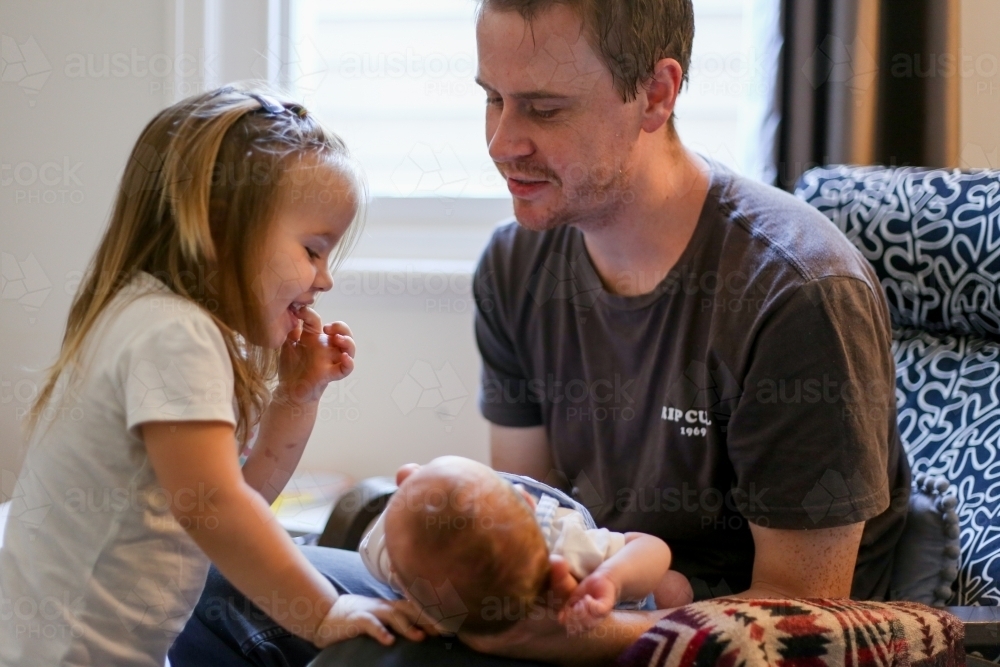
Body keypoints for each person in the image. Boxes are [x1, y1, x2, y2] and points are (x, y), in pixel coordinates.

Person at [172, 0, 909, 664]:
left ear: (656, 93)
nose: (500, 141)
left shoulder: (797, 294)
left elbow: (806, 628)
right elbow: (528, 504)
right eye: (492, 99)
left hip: (680, 636)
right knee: (211, 583)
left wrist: (545, 635)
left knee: (365, 661)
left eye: (543, 109)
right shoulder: (517, 263)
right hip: (563, 597)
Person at [0, 86, 426, 667]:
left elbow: (233, 503)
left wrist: (297, 397)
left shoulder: (145, 316)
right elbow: (217, 509)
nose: (324, 280)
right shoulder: (173, 334)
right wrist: (323, 613)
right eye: (312, 249)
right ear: (222, 229)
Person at [360, 456, 694, 633]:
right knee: (675, 588)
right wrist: (610, 578)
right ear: (527, 502)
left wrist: (420, 608)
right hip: (611, 610)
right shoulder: (562, 543)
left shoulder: (387, 553)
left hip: (543, 616)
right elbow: (651, 548)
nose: (407, 471)